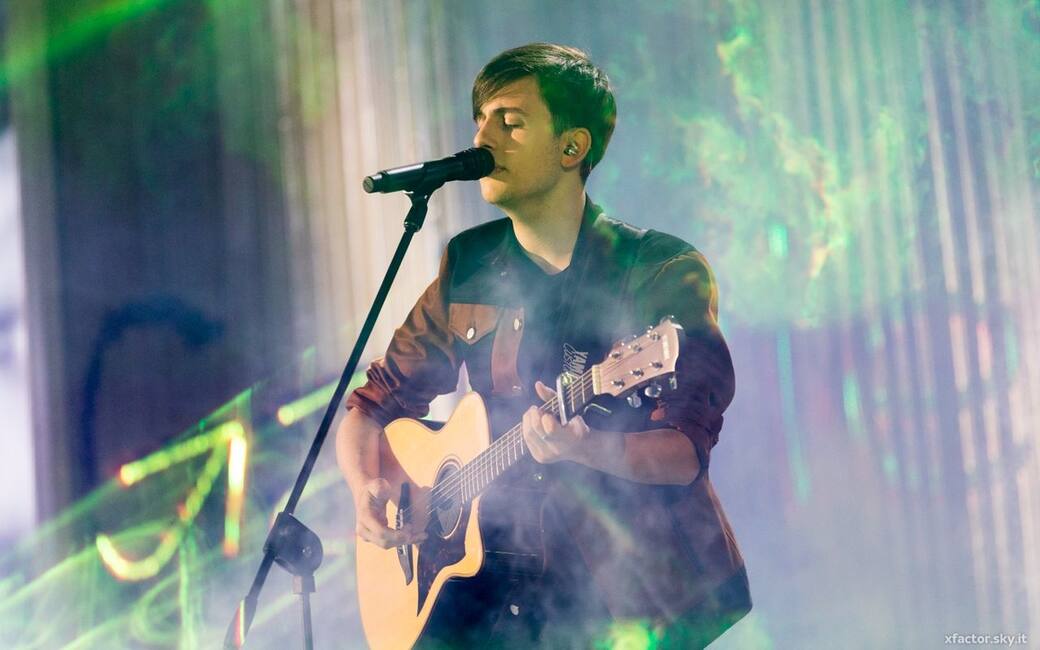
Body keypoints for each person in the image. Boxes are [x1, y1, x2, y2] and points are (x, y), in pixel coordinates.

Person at [337, 43, 751, 649]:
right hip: (483, 587)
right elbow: (371, 408)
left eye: (510, 122)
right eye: (480, 120)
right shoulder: (470, 263)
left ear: (571, 147)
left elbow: (686, 452)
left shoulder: (657, 269)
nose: (483, 138)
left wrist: (587, 448)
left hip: (620, 594)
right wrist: (366, 489)